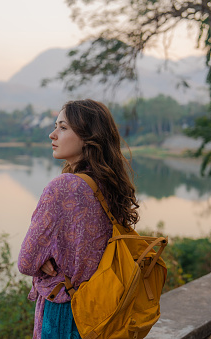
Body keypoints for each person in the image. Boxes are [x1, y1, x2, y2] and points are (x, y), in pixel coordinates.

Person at [18, 99, 139, 339]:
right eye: (55, 126)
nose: (52, 134)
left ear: (88, 136)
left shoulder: (63, 187)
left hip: (65, 311)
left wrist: (43, 258)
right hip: (104, 308)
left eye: (63, 128)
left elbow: (26, 261)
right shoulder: (108, 184)